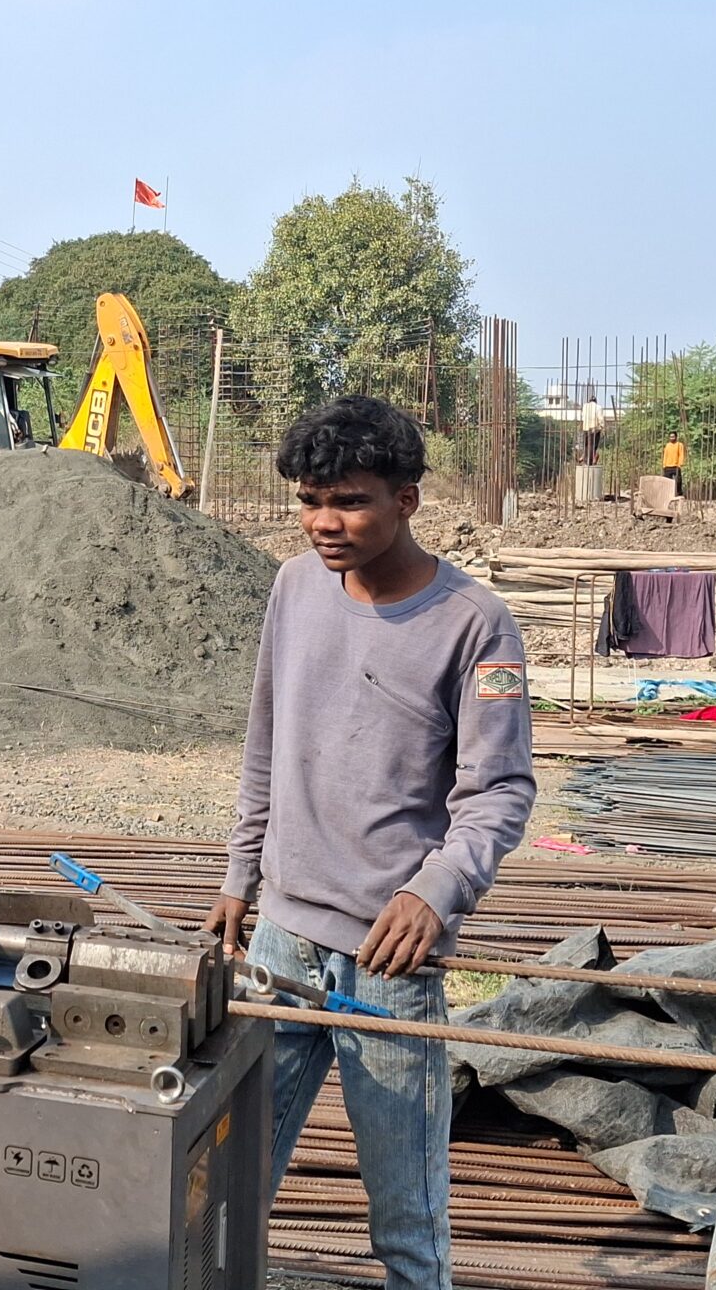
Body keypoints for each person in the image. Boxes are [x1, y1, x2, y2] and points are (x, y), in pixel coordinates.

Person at [202, 396, 535, 1290]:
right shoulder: (294, 587)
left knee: (406, 1218)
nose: (324, 523)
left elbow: (500, 790)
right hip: (281, 943)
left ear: (406, 500)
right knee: (224, 1185)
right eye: (310, 502)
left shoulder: (475, 623)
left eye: (349, 502)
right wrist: (241, 873)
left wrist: (436, 890)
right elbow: (266, 740)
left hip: (388, 961)